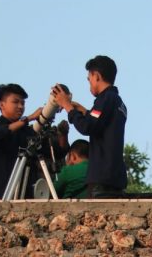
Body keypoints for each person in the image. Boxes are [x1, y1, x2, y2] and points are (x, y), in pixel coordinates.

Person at [52, 55, 127, 198]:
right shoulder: (117, 101)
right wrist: (80, 109)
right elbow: (99, 122)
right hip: (114, 177)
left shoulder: (105, 98)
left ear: (96, 76)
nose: (89, 84)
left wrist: (67, 106)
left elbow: (87, 126)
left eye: (89, 79)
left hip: (102, 179)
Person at [0, 84, 42, 199]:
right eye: (16, 102)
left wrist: (63, 134)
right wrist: (28, 118)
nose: (20, 106)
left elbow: (50, 151)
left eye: (23, 103)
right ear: (2, 105)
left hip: (24, 197)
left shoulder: (27, 132)